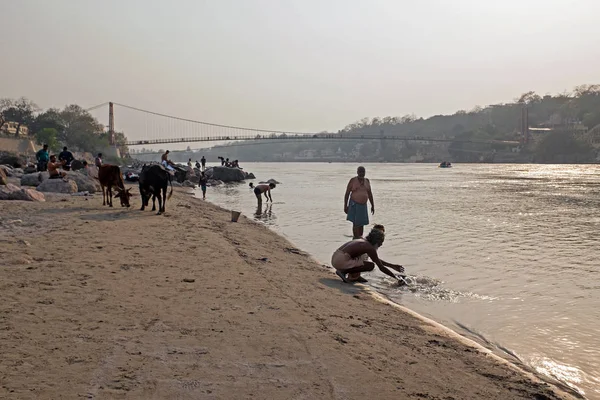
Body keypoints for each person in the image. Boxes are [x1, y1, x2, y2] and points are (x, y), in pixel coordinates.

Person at [331, 226, 404, 284]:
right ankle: (343, 271)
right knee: (370, 266)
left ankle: (355, 276)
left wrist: (393, 266)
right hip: (341, 260)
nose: (381, 245)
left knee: (363, 260)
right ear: (377, 241)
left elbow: (376, 259)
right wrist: (396, 278)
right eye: (381, 242)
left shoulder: (363, 241)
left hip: (336, 258)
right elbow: (380, 267)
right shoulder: (369, 247)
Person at [344, 166, 374, 239]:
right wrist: (345, 205)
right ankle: (355, 238)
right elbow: (347, 193)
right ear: (357, 172)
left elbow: (370, 194)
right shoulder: (353, 180)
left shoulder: (367, 181)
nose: (361, 173)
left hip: (363, 205)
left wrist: (372, 205)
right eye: (360, 172)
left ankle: (360, 237)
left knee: (362, 223)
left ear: (365, 173)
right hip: (354, 204)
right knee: (355, 223)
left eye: (363, 172)